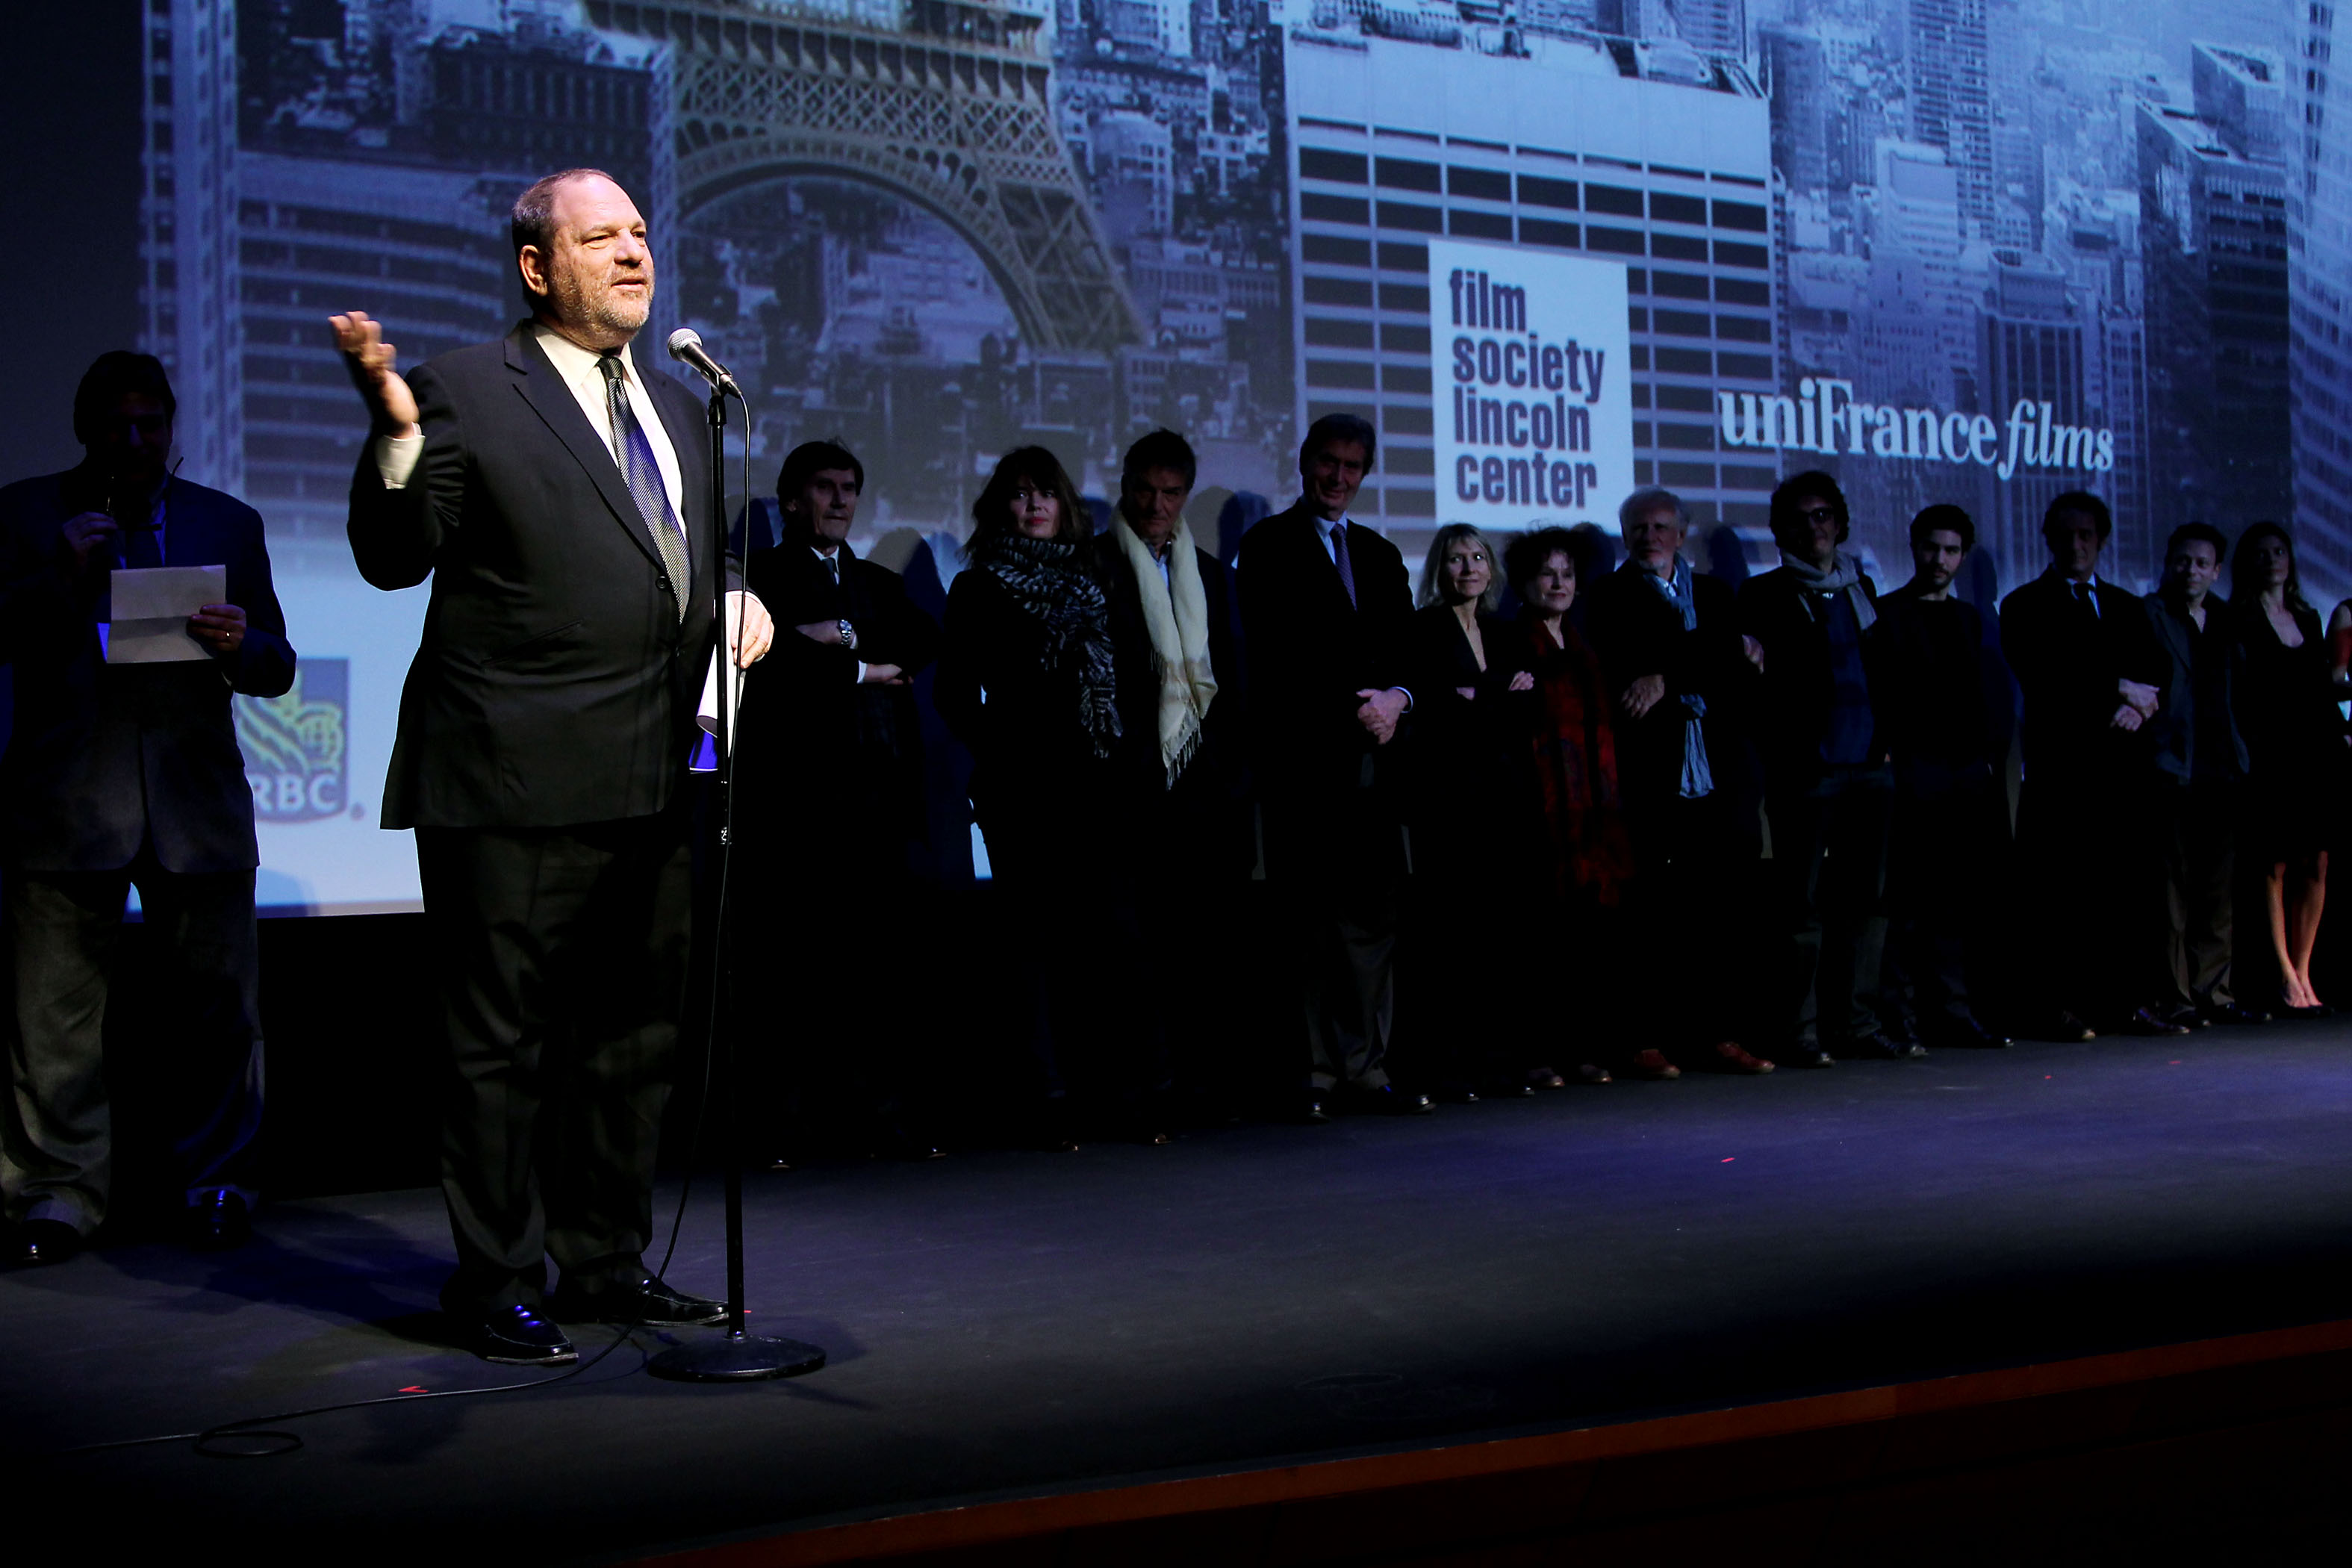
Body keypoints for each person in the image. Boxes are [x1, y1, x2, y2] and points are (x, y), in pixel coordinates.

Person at [330, 167, 776, 1365]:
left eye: (638, 232)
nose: (634, 254)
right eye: (601, 238)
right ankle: (494, 1282)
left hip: (651, 780)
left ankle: (605, 1264)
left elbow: (673, 559)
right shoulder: (465, 390)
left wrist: (737, 599)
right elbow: (391, 555)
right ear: (538, 267)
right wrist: (397, 437)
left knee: (632, 1040)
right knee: (502, 1046)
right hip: (510, 783)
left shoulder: (684, 407)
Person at [0, 352, 296, 1269]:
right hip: (66, 803)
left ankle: (217, 1185)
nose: (135, 442)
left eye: (150, 423)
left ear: (171, 426)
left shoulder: (227, 522)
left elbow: (279, 665)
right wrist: (60, 577)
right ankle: (54, 1195)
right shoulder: (25, 514)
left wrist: (243, 644)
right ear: (86, 429)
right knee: (50, 1021)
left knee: (217, 1018)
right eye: (117, 425)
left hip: (196, 806)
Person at [935, 447, 1151, 1146]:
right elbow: (953, 696)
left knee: (1107, 940)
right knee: (1033, 945)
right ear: (1002, 506)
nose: (1032, 506)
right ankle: (1046, 1094)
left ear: (1065, 508)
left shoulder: (1098, 582)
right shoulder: (978, 587)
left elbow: (1123, 685)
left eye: (1044, 495)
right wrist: (1007, 748)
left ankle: (1109, 1091)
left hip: (1098, 789)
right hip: (1022, 793)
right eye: (1019, 495)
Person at [740, 440, 943, 1164]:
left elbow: (920, 638)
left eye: (849, 488)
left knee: (876, 976)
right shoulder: (760, 577)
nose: (838, 500)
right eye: (823, 488)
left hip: (877, 804)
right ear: (792, 500)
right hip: (797, 807)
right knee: (791, 977)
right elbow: (764, 663)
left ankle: (878, 1119)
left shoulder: (877, 582)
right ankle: (784, 1129)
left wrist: (842, 641)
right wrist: (845, 662)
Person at [1236, 414, 1431, 1121]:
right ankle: (1314, 1075)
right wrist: (1358, 706)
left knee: (1371, 929)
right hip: (1305, 770)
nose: (1338, 478)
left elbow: (1411, 654)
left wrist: (1398, 699)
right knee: (1310, 928)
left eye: (1352, 467)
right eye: (1328, 462)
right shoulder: (1265, 546)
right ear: (1303, 462)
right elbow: (1273, 661)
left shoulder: (1379, 554)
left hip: (1376, 773)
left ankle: (1366, 1068)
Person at [1584, 488, 1769, 1079]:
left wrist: (1666, 674)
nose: (1650, 537)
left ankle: (1717, 1035)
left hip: (1717, 777)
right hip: (1649, 777)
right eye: (1638, 527)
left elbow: (1733, 672)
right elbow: (1631, 661)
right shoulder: (1606, 599)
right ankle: (1645, 1038)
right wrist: (1711, 654)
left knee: (1717, 915)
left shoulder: (1715, 594)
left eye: (1662, 526)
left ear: (1681, 534)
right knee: (1649, 917)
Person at [1098, 430, 1251, 1121]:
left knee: (1202, 946)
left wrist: (1232, 777)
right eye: (1145, 491)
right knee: (1135, 949)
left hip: (1203, 789)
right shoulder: (1095, 564)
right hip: (1129, 787)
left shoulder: (1213, 573)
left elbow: (1238, 683)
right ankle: (1147, 1088)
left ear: (1186, 494)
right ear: (1125, 485)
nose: (1156, 506)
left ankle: (1199, 1085)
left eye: (1171, 493)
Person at [1739, 473, 1905, 1067]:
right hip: (1809, 775)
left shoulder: (1863, 590)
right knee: (1800, 908)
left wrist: (1887, 742)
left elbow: (1886, 676)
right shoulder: (1761, 597)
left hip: (1871, 768)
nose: (1813, 527)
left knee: (1869, 902)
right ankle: (1799, 1030)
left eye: (1823, 516)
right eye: (1800, 518)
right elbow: (1756, 694)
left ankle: (1857, 1023)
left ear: (1839, 522)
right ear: (1780, 529)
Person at [1999, 492, 2179, 1039]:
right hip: (2061, 775)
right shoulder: (2024, 605)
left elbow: (2156, 676)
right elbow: (2049, 678)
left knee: (2121, 896)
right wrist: (2116, 690)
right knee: (2060, 899)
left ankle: (2124, 1003)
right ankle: (2056, 1006)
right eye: (2066, 535)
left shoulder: (2127, 606)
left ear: (2100, 541)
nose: (2076, 545)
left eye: (2086, 535)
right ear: (2049, 540)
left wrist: (2139, 702)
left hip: (2123, 775)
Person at [1870, 505, 2017, 1048]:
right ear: (1914, 548)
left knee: (1953, 903)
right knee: (1905, 905)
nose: (1940, 559)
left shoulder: (1971, 618)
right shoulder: (1884, 614)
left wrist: (1981, 764)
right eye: (1932, 548)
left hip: (1962, 779)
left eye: (1951, 550)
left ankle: (1952, 1011)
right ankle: (1898, 1016)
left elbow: (1982, 701)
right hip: (1910, 776)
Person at [1399, 523, 1535, 1101]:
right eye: (1456, 559)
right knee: (1447, 941)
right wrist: (1493, 698)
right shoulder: (1423, 628)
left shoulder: (1506, 632)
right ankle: (1447, 1069)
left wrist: (1478, 699)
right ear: (1440, 568)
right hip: (1447, 804)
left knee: (1497, 940)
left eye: (1478, 557)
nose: (1469, 568)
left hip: (1502, 804)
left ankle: (1497, 1064)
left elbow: (1526, 712)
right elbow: (1432, 714)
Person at [1504, 526, 1635, 1087]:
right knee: (1541, 944)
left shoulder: (1585, 647)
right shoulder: (1510, 641)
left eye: (1567, 573)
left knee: (1588, 943)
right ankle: (1537, 1053)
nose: (1558, 583)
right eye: (1546, 573)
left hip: (1593, 821)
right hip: (1538, 815)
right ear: (1525, 583)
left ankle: (1581, 1049)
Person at [2141, 523, 2262, 1028]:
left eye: (2201, 563)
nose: (2191, 570)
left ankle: (2215, 990)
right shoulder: (2148, 613)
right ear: (2169, 562)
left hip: (2222, 769)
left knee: (2217, 892)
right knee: (2171, 892)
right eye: (2182, 560)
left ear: (2216, 570)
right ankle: (2176, 996)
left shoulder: (2228, 620)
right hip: (2172, 768)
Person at [2229, 523, 2342, 1017]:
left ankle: (2306, 968)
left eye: (2279, 552)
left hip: (2312, 756)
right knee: (2272, 865)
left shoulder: (2308, 617)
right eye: (2262, 553)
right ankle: (2284, 975)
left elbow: (2320, 692)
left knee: (2315, 862)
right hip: (2267, 756)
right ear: (2246, 563)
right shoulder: (2240, 621)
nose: (2272, 560)